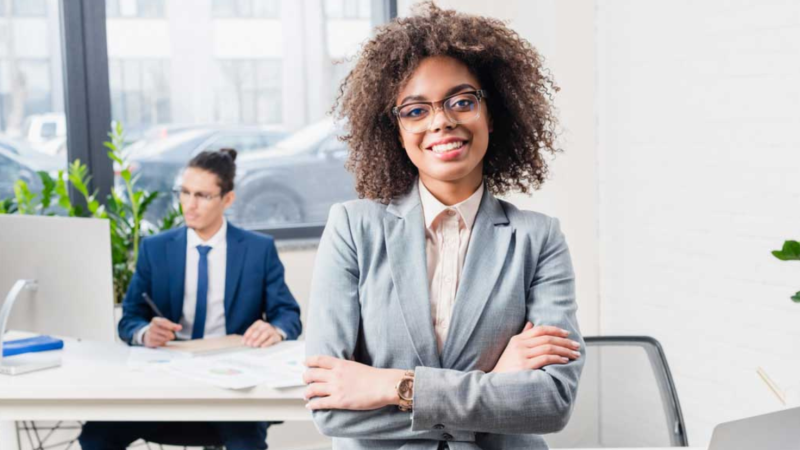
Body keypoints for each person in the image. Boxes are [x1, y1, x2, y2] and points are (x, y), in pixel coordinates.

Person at [303, 3, 584, 449]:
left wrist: (394, 387)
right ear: (395, 131)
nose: (442, 121)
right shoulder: (353, 229)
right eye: (415, 110)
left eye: (462, 101)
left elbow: (550, 403)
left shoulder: (538, 238)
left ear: (491, 113)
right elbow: (331, 408)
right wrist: (494, 382)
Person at [79, 148, 302, 450]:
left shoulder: (257, 250)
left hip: (231, 382)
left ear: (227, 199)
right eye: (184, 192)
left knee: (245, 445)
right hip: (166, 377)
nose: (190, 205)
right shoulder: (155, 249)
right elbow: (130, 318)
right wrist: (145, 332)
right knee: (96, 437)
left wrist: (275, 329)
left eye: (202, 195)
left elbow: (288, 314)